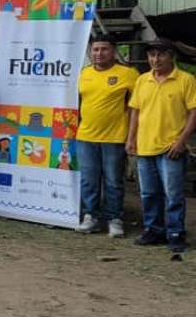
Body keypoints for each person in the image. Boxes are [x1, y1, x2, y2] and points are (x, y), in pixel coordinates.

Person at [126, 39, 196, 253]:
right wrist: (131, 138)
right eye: (151, 55)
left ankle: (175, 233)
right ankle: (153, 230)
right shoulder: (142, 80)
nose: (155, 59)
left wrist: (182, 141)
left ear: (171, 56)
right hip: (145, 146)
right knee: (148, 193)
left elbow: (194, 112)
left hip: (171, 148)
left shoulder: (186, 80)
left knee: (173, 195)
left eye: (160, 54)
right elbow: (135, 111)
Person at [76, 36, 140, 237]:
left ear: (113, 51)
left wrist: (133, 136)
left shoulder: (128, 74)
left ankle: (115, 219)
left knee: (113, 181)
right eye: (95, 49)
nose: (99, 53)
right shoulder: (83, 73)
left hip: (115, 137)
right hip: (85, 136)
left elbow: (139, 106)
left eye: (104, 49)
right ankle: (91, 217)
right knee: (88, 181)